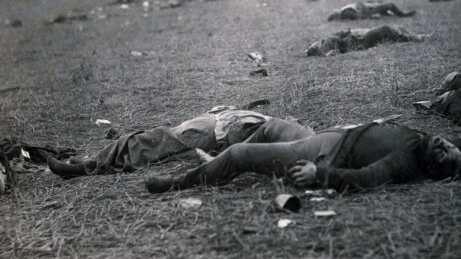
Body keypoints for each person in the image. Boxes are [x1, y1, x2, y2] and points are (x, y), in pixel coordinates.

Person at [145, 121, 461, 193]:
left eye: (444, 152)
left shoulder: (407, 161)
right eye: (449, 145)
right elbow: (452, 143)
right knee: (273, 125)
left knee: (240, 154)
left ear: (433, 167)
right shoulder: (429, 145)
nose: (444, 144)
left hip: (323, 152)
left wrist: (321, 175)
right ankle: (214, 161)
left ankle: (181, 183)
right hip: (330, 134)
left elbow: (367, 178)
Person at [47, 106, 314, 177]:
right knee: (150, 142)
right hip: (217, 124)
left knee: (146, 145)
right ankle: (90, 161)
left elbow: (247, 147)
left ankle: (84, 167)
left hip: (212, 132)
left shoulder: (299, 142)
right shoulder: (302, 140)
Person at [306, 25, 432, 57]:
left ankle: (417, 36)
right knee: (385, 28)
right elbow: (337, 49)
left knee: (394, 27)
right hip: (360, 42)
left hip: (359, 35)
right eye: (313, 46)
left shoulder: (323, 43)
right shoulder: (325, 47)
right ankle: (415, 38)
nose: (315, 43)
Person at [328, 2, 415, 21]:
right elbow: (358, 17)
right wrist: (372, 17)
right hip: (368, 11)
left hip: (368, 7)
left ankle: (387, 13)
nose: (334, 10)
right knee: (390, 5)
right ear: (335, 15)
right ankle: (403, 15)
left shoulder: (344, 10)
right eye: (333, 12)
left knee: (385, 7)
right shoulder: (345, 12)